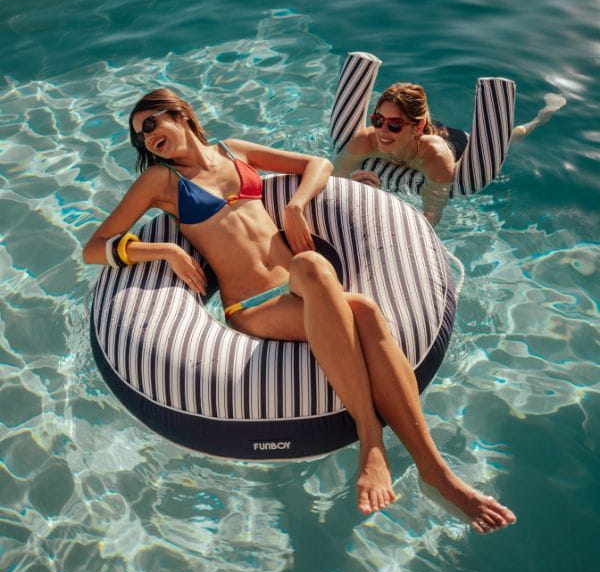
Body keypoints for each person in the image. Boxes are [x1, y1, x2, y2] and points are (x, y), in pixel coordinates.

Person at [83, 88, 516, 533]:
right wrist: (164, 252)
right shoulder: (160, 183)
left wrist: (295, 205)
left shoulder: (234, 151)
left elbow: (320, 165)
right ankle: (371, 438)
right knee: (314, 265)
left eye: (152, 123)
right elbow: (93, 248)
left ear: (180, 114)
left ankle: (436, 474)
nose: (148, 137)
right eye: (140, 136)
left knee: (363, 308)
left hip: (304, 290)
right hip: (252, 306)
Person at [333, 82, 457, 227]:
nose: (382, 131)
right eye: (378, 120)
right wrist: (357, 190)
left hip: (455, 140)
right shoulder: (366, 141)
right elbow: (334, 184)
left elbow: (431, 218)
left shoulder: (436, 157)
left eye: (394, 124)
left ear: (419, 127)